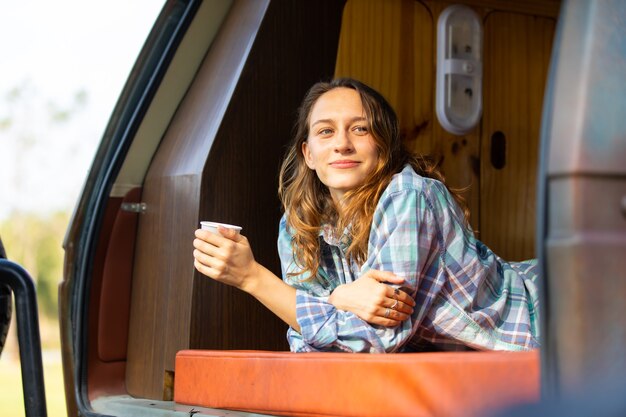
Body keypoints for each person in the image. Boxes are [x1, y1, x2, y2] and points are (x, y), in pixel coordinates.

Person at [193, 78, 540, 353]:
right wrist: (336, 301)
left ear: (384, 147)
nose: (342, 144)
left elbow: (378, 339)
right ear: (309, 154)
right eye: (326, 131)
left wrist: (255, 279)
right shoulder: (298, 224)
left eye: (359, 129)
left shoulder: (409, 196)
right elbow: (303, 342)